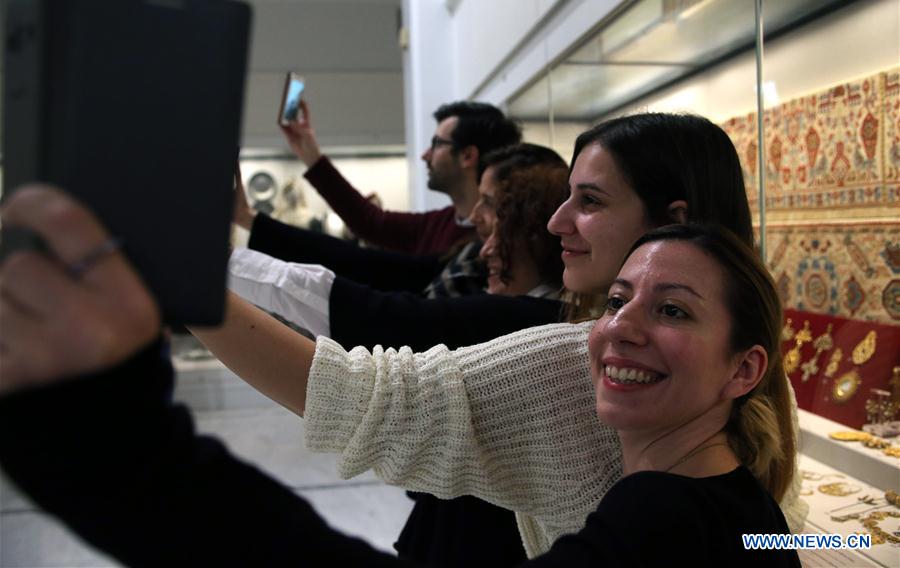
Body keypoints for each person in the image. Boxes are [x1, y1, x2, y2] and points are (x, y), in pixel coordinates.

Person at [0, 187, 800, 567]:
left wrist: (126, 460)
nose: (621, 325)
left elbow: (370, 336)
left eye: (674, 310)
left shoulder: (663, 512)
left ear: (745, 369)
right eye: (618, 301)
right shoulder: (733, 501)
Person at [191, 113, 807, 557]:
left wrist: (190, 277)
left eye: (590, 201)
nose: (558, 222)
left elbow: (363, 370)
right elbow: (777, 533)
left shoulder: (585, 384)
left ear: (744, 368)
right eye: (618, 303)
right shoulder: (709, 445)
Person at [228, 143, 568, 351]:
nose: (425, 153)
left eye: (491, 203)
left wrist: (222, 261)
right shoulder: (471, 255)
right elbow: (370, 262)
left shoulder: (531, 314)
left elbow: (398, 316)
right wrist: (249, 221)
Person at [234, 100, 522, 256]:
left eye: (436, 145)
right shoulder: (442, 222)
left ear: (467, 156)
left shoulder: (491, 246)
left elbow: (366, 240)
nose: (425, 155)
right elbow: (369, 222)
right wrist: (310, 153)